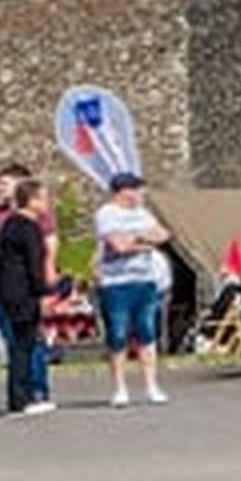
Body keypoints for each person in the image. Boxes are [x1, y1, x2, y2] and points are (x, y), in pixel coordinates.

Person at [0, 161, 60, 395]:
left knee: (32, 338)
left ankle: (36, 388)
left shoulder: (39, 217)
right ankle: (20, 390)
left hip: (29, 282)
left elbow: (49, 248)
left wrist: (48, 282)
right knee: (13, 337)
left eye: (5, 184)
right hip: (6, 283)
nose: (0, 189)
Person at [94, 172, 171, 407]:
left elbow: (163, 235)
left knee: (147, 332)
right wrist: (142, 238)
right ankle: (120, 388)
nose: (140, 194)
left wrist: (135, 239)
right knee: (118, 334)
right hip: (116, 282)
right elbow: (118, 246)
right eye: (137, 190)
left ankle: (151, 386)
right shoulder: (106, 214)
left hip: (145, 279)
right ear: (124, 191)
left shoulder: (142, 213)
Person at [0, 178, 53, 415]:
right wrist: (43, 294)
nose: (47, 204)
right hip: (24, 292)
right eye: (43, 199)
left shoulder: (8, 224)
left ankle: (17, 395)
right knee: (24, 345)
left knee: (18, 345)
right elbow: (34, 265)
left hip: (7, 291)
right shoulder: (29, 228)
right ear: (31, 201)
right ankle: (21, 399)